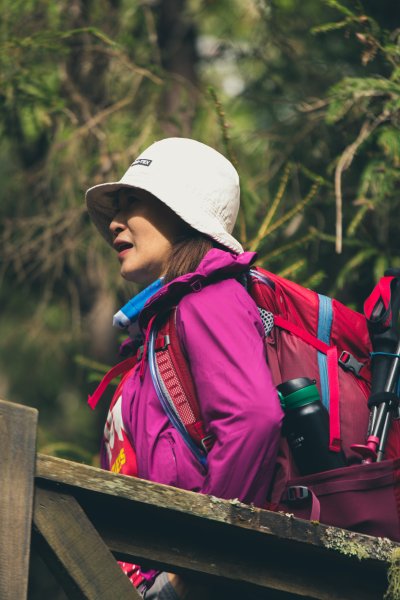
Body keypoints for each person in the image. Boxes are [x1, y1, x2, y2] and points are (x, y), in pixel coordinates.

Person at [85, 137, 283, 598]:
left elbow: (254, 419)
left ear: (181, 211)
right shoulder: (158, 329)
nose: (114, 222)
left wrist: (193, 566)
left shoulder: (209, 299)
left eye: (131, 201)